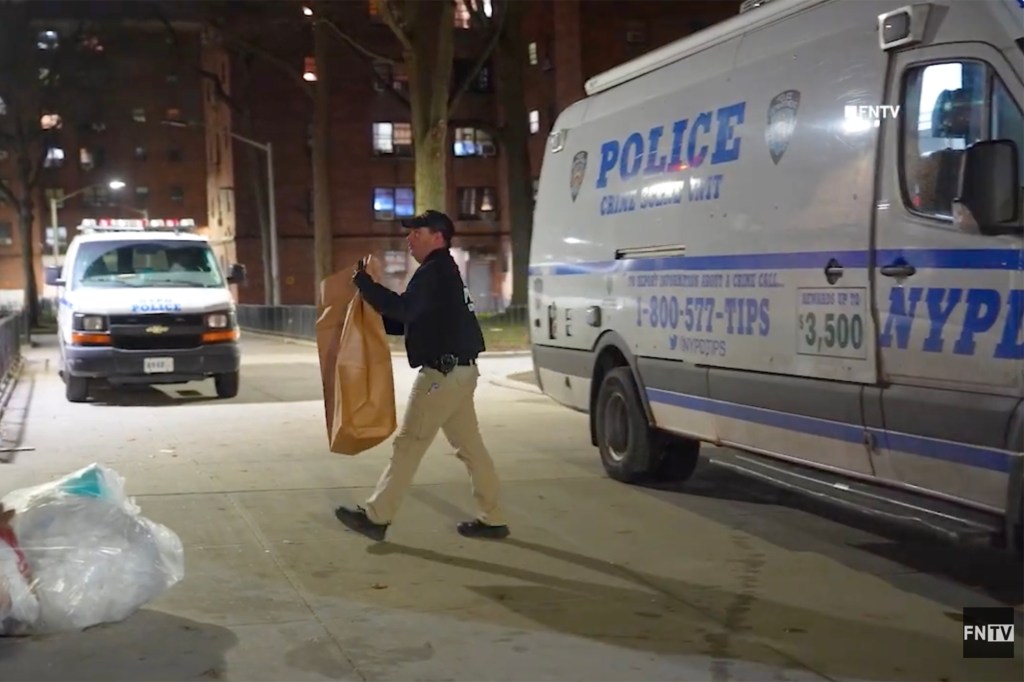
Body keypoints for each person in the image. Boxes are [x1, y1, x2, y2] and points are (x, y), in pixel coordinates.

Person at [334, 209, 510, 541]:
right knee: (471, 447)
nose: (409, 238)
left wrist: (365, 285)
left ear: (437, 236)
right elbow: (408, 319)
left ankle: (377, 517)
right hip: (458, 371)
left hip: (442, 375)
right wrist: (371, 317)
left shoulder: (435, 271)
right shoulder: (441, 271)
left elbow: (402, 309)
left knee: (409, 445)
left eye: (417, 232)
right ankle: (494, 518)